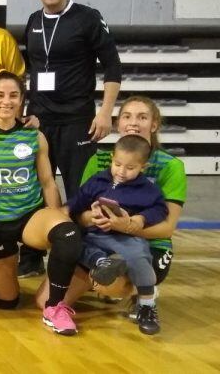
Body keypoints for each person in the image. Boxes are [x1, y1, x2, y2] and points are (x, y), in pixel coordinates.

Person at [35, 96, 187, 328]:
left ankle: (143, 298)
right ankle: (102, 266)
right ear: (118, 123)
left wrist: (129, 225)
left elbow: (167, 227)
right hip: (100, 238)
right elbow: (80, 207)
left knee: (112, 282)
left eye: (142, 117)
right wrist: (88, 217)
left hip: (146, 244)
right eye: (127, 116)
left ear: (154, 125)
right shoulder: (99, 160)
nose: (133, 122)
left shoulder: (170, 166)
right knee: (45, 300)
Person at [20, 0, 122, 278]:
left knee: (82, 191)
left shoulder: (88, 18)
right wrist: (31, 111)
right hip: (42, 122)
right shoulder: (33, 20)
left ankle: (87, 256)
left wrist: (105, 112)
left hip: (79, 120)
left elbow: (113, 66)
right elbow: (35, 71)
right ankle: (33, 253)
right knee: (36, 188)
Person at [0, 71, 83, 335]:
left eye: (13, 95)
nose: (6, 101)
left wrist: (58, 215)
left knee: (69, 233)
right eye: (0, 95)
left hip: (30, 216)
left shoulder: (34, 136)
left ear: (22, 100)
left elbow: (49, 182)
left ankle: (55, 306)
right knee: (8, 302)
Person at [68, 134, 167, 335]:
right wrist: (85, 214)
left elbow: (160, 209)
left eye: (130, 168)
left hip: (126, 238)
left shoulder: (148, 190)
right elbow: (75, 205)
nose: (121, 172)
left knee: (139, 256)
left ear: (143, 167)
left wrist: (141, 219)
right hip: (94, 235)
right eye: (117, 164)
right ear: (112, 158)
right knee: (76, 244)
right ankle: (102, 262)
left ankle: (146, 306)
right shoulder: (97, 181)